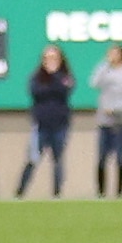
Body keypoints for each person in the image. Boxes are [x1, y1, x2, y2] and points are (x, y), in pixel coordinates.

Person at [89, 42, 122, 198]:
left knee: (120, 158)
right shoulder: (106, 72)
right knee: (101, 159)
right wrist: (104, 65)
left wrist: (117, 108)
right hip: (105, 122)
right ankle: (101, 193)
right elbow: (94, 83)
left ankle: (120, 193)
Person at [25, 44, 74, 196]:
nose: (50, 61)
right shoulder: (37, 77)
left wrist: (54, 76)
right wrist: (50, 84)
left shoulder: (65, 76)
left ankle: (57, 193)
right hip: (41, 125)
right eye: (47, 58)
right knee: (33, 159)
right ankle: (20, 192)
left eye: (54, 58)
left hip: (60, 125)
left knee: (58, 160)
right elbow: (37, 92)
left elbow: (63, 90)